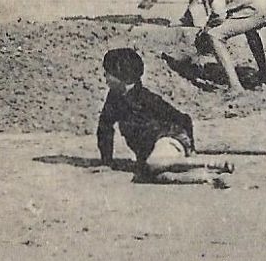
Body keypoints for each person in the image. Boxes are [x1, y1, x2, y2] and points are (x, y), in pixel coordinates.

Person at [96, 47, 232, 185]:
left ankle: (212, 163)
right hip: (152, 153)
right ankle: (207, 176)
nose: (105, 76)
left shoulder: (146, 98)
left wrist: (191, 149)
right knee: (157, 176)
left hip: (170, 141)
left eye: (108, 73)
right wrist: (106, 161)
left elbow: (183, 119)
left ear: (121, 75)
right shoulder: (114, 98)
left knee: (154, 164)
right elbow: (105, 126)